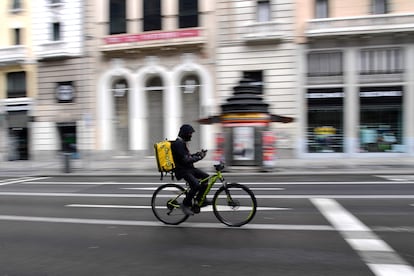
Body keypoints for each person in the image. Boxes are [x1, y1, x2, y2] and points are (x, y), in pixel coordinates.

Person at [171, 124, 209, 215]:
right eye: (189, 134)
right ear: (184, 134)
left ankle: (200, 200)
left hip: (188, 169)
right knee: (196, 185)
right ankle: (185, 205)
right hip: (182, 170)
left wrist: (198, 154)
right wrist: (199, 157)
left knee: (206, 177)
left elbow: (188, 157)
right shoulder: (178, 144)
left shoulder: (182, 143)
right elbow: (186, 160)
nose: (191, 136)